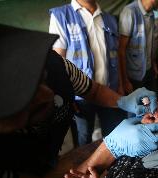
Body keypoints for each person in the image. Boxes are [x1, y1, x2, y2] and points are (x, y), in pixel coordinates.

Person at [0, 24, 158, 178]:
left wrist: (122, 101)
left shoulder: (56, 65)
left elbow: (94, 91)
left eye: (41, 79)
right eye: (30, 98)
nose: (48, 95)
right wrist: (110, 148)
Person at [49, 0, 124, 146]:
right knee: (83, 139)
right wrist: (66, 97)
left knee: (114, 136)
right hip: (80, 96)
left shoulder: (109, 19)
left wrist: (120, 85)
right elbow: (57, 62)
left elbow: (116, 55)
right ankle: (84, 168)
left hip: (110, 91)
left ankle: (111, 167)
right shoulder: (62, 16)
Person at [118, 0, 158, 95]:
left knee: (152, 103)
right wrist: (125, 81)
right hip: (134, 75)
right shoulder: (130, 12)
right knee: (138, 107)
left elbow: (150, 43)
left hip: (149, 71)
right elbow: (121, 50)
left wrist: (153, 63)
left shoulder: (152, 15)